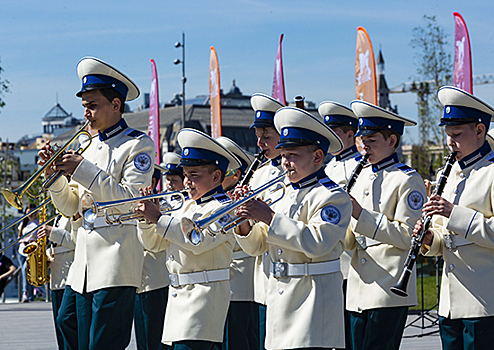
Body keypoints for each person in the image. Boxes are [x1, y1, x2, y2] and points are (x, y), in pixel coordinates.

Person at [38, 56, 155, 349]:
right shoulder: (87, 147)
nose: (86, 114)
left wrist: (82, 169)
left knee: (103, 342)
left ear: (116, 105)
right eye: (85, 106)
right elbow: (70, 207)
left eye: (93, 105)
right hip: (83, 262)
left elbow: (129, 201)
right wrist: (55, 179)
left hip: (115, 259)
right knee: (68, 325)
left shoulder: (138, 144)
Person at [234, 106, 351, 350]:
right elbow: (257, 247)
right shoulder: (283, 194)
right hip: (279, 298)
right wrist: (244, 221)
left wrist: (269, 217)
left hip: (312, 302)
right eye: (284, 155)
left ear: (318, 157)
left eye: (292, 155)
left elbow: (318, 243)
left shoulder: (333, 196)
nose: (285, 163)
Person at [135, 128, 241, 350]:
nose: (187, 183)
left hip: (204, 300)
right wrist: (146, 221)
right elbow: (153, 245)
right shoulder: (186, 206)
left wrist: (158, 219)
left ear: (216, 176)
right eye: (186, 176)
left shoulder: (225, 208)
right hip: (177, 302)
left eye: (194, 176)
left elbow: (199, 241)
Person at [416, 86, 494, 350]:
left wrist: (453, 212)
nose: (450, 142)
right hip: (449, 302)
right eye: (448, 134)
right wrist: (429, 239)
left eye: (458, 134)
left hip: (485, 300)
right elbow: (443, 239)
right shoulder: (445, 176)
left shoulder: (492, 173)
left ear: (480, 131)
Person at [345, 100, 426, 350]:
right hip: (357, 287)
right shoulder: (359, 177)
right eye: (362, 140)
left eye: (372, 140)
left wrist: (360, 214)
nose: (364, 146)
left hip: (388, 287)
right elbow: (351, 237)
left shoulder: (408, 180)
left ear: (392, 141)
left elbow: (407, 236)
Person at [319, 101, 360, 350]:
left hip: (348, 259)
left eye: (335, 133)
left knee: (348, 335)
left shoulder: (361, 165)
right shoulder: (327, 167)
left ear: (350, 134)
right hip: (326, 256)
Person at [248, 93, 285, 349]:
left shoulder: (301, 174)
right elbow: (255, 245)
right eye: (258, 137)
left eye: (267, 137)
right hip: (264, 280)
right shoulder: (259, 175)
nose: (260, 144)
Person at [216, 136, 257, 350]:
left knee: (239, 340)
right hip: (220, 285)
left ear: (236, 175)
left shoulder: (245, 198)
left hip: (241, 285)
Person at [133, 165, 174, 350]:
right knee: (143, 339)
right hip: (136, 280)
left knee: (156, 340)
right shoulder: (130, 204)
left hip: (156, 280)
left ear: (153, 182)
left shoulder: (165, 207)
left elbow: (155, 243)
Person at [38, 214, 78, 350]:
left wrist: (52, 232)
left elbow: (77, 241)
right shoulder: (58, 216)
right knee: (60, 330)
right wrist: (46, 256)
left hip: (70, 276)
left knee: (66, 321)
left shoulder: (73, 210)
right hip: (57, 278)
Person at [17, 203, 38, 302]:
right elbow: (19, 238)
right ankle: (29, 295)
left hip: (32, 251)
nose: (30, 214)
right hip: (22, 251)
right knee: (24, 272)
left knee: (27, 270)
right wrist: (24, 241)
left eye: (32, 212)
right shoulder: (23, 223)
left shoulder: (38, 223)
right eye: (28, 212)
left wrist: (33, 242)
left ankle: (26, 292)